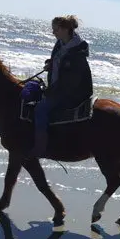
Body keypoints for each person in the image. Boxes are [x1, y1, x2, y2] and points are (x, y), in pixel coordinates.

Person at [29, 15, 93, 158]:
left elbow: (71, 82)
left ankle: (40, 148)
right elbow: (58, 61)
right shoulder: (61, 44)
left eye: (55, 29)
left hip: (73, 93)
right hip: (58, 88)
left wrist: (50, 92)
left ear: (65, 29)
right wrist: (50, 63)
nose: (53, 33)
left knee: (40, 109)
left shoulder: (77, 53)